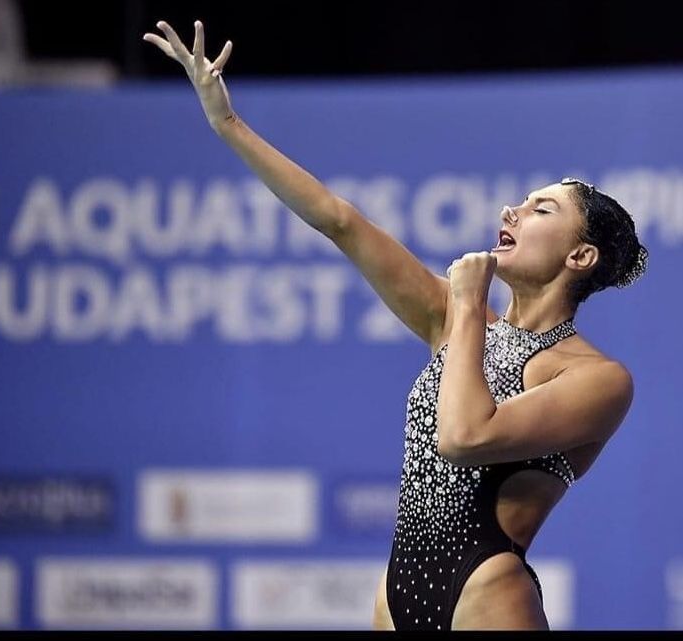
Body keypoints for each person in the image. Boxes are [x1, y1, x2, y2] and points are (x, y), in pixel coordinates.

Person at [144, 20, 648, 631]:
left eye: (541, 209)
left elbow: (466, 436)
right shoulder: (457, 319)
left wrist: (468, 307)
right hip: (395, 596)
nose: (511, 210)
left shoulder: (597, 379)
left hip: (486, 592)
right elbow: (339, 221)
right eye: (520, 201)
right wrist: (227, 123)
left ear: (581, 256)